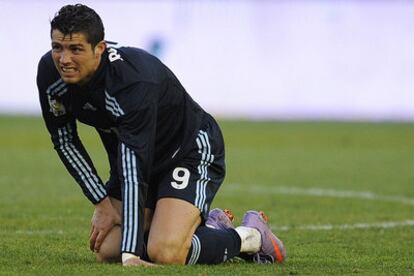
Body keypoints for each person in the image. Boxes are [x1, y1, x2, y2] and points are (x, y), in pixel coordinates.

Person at [37, 4, 286, 266]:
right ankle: (209, 229)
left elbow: (134, 171)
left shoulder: (131, 83)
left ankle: (250, 236)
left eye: (75, 49)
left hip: (188, 150)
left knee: (165, 253)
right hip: (138, 159)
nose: (64, 59)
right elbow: (64, 141)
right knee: (108, 250)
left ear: (100, 48)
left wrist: (132, 256)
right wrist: (101, 203)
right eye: (57, 47)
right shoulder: (49, 73)